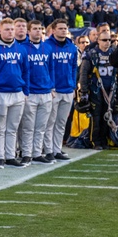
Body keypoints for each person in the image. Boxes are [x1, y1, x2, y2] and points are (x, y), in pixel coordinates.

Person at [0, 18, 29, 168]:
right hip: (0, 92)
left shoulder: (21, 49)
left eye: (12, 29)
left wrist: (26, 90)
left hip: (18, 92)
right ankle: (0, 157)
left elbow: (25, 71)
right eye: (7, 29)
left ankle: (10, 156)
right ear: (0, 31)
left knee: (13, 128)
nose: (10, 32)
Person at [20, 20, 55, 165]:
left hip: (46, 91)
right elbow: (21, 71)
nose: (38, 31)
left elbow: (51, 69)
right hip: (31, 92)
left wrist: (52, 87)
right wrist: (25, 90)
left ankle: (37, 153)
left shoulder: (47, 48)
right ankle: (26, 153)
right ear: (28, 31)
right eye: (34, 29)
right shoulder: (22, 48)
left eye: (40, 29)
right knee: (28, 126)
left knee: (41, 126)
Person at [44, 19, 77, 162]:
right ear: (54, 30)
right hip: (54, 90)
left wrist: (74, 85)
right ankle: (48, 150)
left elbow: (74, 67)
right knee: (50, 122)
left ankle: (57, 149)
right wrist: (50, 87)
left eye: (65, 28)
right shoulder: (47, 46)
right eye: (61, 28)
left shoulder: (72, 47)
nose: (64, 30)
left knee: (61, 122)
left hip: (68, 89)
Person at [79, 30, 117, 149]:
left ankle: (104, 140)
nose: (107, 42)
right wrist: (84, 91)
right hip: (96, 90)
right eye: (104, 40)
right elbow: (83, 73)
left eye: (109, 40)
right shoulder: (91, 54)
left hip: (110, 90)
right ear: (98, 41)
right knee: (96, 116)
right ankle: (95, 141)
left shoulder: (114, 53)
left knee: (107, 116)